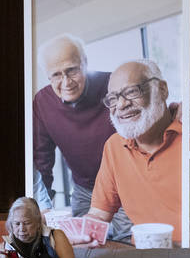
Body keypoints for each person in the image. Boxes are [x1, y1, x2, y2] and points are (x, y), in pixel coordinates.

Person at [32, 34, 129, 230]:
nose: (66, 82)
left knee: (125, 241)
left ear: (84, 63)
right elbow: (42, 159)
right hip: (84, 190)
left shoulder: (113, 85)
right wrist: (40, 207)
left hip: (124, 187)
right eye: (57, 75)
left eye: (72, 70)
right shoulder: (42, 102)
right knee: (79, 242)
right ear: (47, 75)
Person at [85, 60, 183, 245]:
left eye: (131, 91)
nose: (121, 105)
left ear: (162, 90)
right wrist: (75, 234)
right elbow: (99, 214)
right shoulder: (114, 147)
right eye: (113, 98)